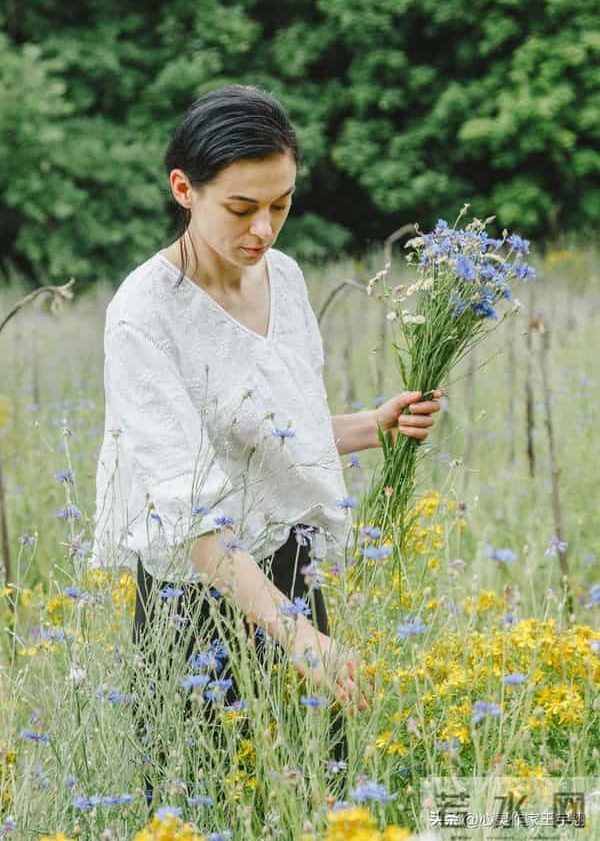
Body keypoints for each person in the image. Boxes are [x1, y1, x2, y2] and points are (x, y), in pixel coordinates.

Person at [92, 84, 442, 810]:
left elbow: (276, 438)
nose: (264, 229)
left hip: (291, 569)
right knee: (206, 803)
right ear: (184, 190)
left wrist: (372, 425)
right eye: (242, 208)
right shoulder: (142, 316)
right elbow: (190, 516)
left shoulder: (282, 276)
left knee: (322, 792)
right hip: (195, 599)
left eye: (280, 205)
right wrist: (294, 634)